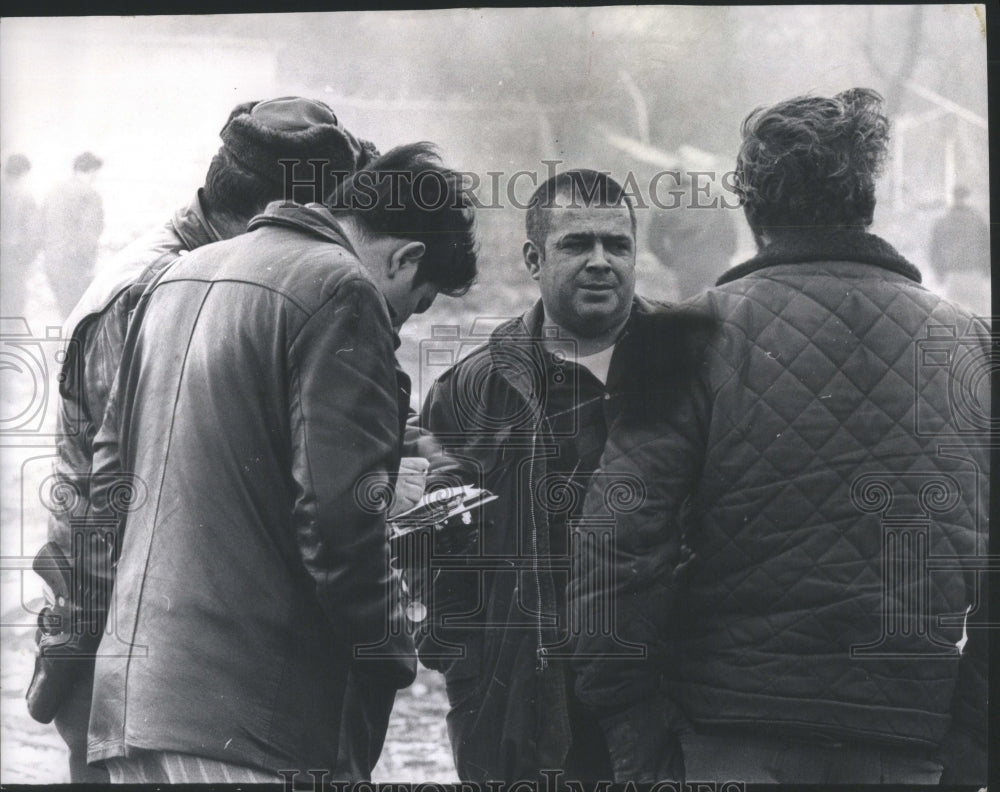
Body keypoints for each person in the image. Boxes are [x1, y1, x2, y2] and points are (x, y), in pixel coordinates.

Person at [571, 88, 988, 784]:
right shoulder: (972, 346)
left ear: (752, 209)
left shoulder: (678, 336)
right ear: (865, 200)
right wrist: (973, 740)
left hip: (726, 735)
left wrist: (632, 727)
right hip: (908, 740)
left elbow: (615, 549)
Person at [82, 142, 477, 783]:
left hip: (133, 711)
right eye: (416, 302)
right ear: (407, 258)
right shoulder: (341, 287)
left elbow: (107, 481)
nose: (400, 326)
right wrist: (390, 651)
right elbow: (339, 518)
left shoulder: (178, 275)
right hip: (250, 723)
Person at [27, 96, 379, 783]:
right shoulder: (153, 288)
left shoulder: (202, 269)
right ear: (282, 212)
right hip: (127, 657)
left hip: (153, 654)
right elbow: (117, 502)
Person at [415, 170, 692, 783]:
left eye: (616, 245)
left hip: (667, 705)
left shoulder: (692, 366)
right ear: (534, 259)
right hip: (523, 711)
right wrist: (467, 671)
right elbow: (431, 552)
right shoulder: (470, 391)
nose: (600, 262)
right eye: (576, 244)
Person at [41, 151, 105, 318]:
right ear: (92, 170)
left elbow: (42, 226)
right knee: (80, 318)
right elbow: (89, 234)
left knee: (65, 314)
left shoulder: (54, 191)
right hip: (76, 265)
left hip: (53, 263)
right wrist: (89, 264)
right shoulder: (89, 194)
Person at [929, 185, 990, 315]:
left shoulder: (943, 221)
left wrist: (939, 274)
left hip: (957, 274)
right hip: (970, 273)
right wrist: (986, 271)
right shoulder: (978, 220)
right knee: (978, 315)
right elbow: (987, 247)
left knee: (955, 314)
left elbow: (935, 251)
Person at [0, 153, 41, 317]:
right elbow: (33, 231)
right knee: (14, 303)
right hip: (14, 256)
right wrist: (28, 256)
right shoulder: (24, 196)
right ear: (23, 172)